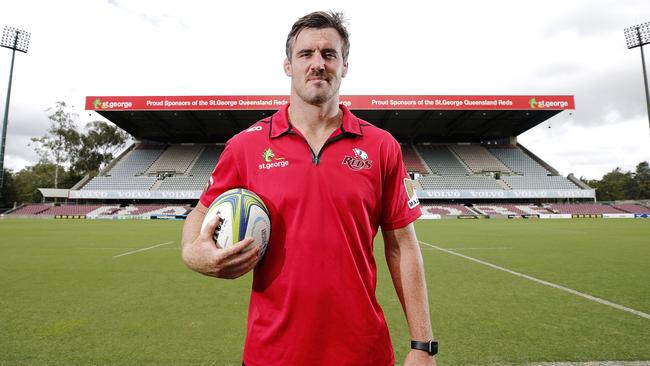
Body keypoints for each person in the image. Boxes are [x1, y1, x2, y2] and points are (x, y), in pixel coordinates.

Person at [182, 11, 436, 366]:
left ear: (344, 66)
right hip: (271, 355)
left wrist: (422, 345)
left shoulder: (382, 146)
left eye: (329, 54)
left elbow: (402, 246)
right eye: (306, 54)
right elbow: (202, 210)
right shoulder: (245, 146)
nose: (318, 64)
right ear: (288, 65)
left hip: (363, 355)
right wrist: (193, 253)